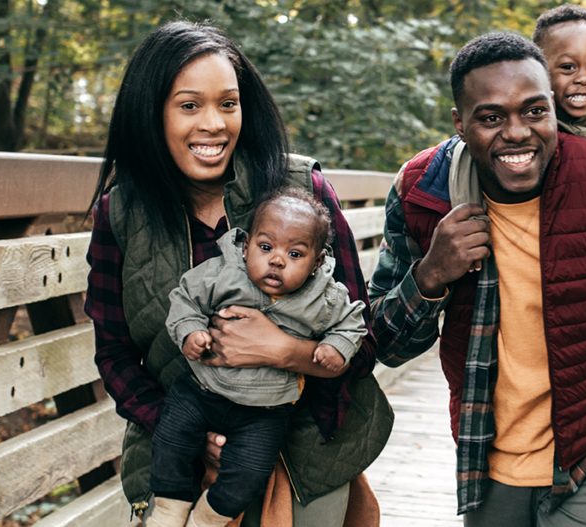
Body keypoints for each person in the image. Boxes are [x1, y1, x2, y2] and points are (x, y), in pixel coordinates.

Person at [367, 32, 586, 525]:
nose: (517, 132)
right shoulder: (424, 191)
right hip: (487, 458)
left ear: (553, 108)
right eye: (491, 117)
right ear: (459, 124)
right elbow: (385, 343)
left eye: (535, 111)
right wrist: (430, 275)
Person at [84, 21, 390, 527]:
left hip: (303, 452)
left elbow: (360, 335)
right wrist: (188, 433)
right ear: (151, 112)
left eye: (228, 104)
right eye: (189, 106)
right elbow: (114, 353)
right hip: (175, 459)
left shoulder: (303, 191)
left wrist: (284, 352)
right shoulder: (121, 213)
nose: (215, 124)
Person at [149, 189, 367, 526]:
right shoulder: (223, 273)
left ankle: (208, 517)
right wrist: (191, 331)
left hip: (265, 411)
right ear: (246, 244)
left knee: (250, 472)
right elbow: (184, 298)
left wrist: (336, 346)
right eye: (265, 248)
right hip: (201, 390)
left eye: (295, 253)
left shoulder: (323, 297)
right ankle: (168, 506)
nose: (277, 260)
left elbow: (353, 323)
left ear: (317, 262)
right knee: (171, 441)